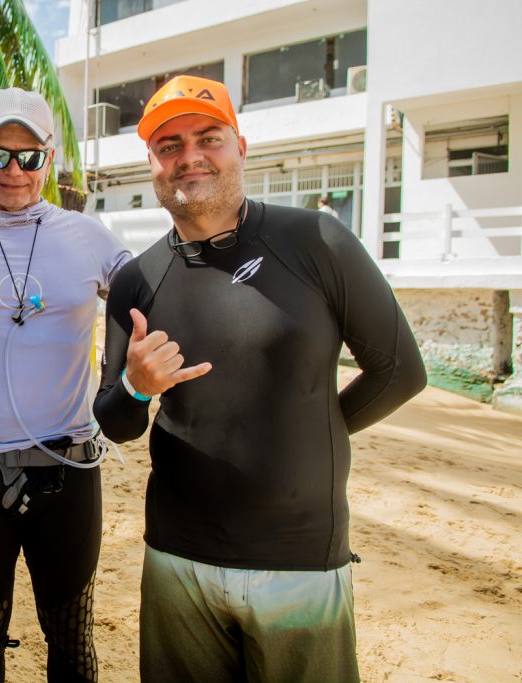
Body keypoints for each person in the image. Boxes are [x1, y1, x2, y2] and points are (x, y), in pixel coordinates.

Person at [93, 75, 427, 682]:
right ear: (152, 165)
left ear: (240, 147)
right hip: (177, 559)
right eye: (169, 146)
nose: (189, 156)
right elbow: (114, 423)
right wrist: (138, 386)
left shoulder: (317, 240)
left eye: (207, 138)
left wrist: (312, 432)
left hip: (299, 561)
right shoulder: (137, 281)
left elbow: (400, 371)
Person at [0, 87, 131, 682]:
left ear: (51, 159)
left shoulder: (89, 237)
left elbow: (152, 302)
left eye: (30, 156)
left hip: (70, 468)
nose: (14, 171)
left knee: (71, 639)